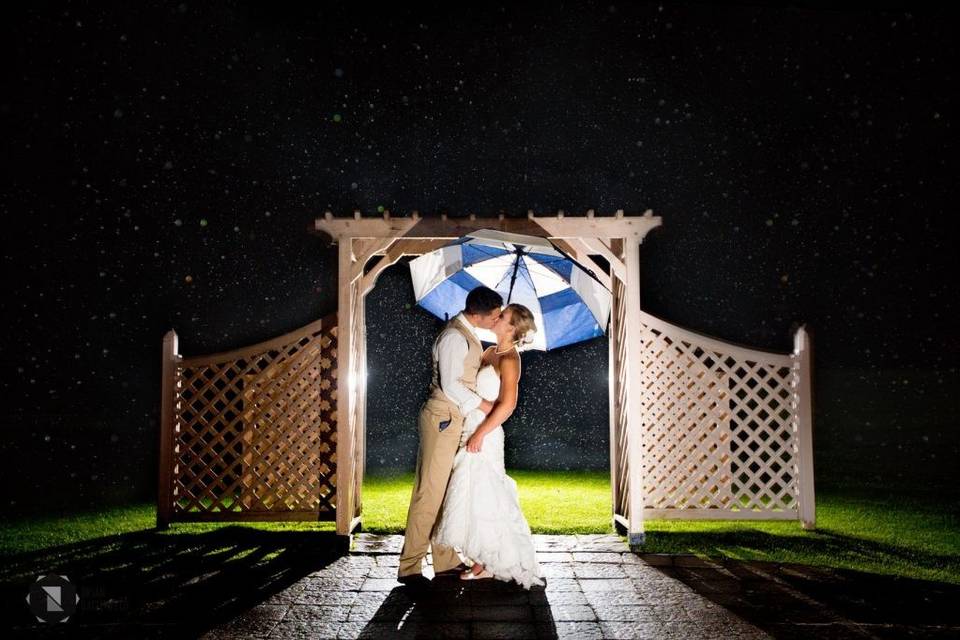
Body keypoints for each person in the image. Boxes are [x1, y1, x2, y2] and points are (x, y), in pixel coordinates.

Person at [396, 285, 504, 589]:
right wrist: (486, 405)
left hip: (453, 418)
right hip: (442, 417)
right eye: (495, 316)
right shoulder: (454, 337)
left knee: (444, 492)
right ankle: (409, 566)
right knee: (429, 493)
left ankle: (445, 562)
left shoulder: (467, 335)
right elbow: (451, 386)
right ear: (479, 314)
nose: (497, 320)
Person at [432, 303, 545, 590]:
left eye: (503, 316)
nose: (496, 317)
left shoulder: (510, 359)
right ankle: (482, 558)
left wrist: (481, 433)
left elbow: (507, 405)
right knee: (472, 492)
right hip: (471, 426)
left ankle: (490, 563)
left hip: (487, 432)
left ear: (511, 328)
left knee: (488, 493)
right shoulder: (488, 352)